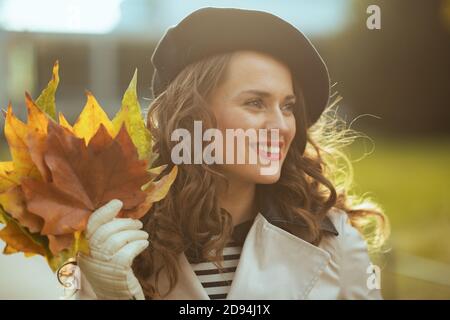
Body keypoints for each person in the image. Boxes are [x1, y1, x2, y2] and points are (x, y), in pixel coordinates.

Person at [76, 7, 389, 300]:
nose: (282, 127)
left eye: (288, 106)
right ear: (192, 116)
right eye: (255, 103)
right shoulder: (114, 240)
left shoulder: (336, 241)